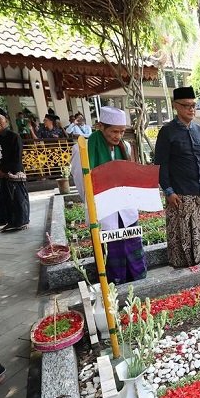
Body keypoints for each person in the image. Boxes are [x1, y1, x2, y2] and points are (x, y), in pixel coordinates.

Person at [71, 106, 147, 283]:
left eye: (122, 131)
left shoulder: (125, 146)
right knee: (111, 253)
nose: (118, 136)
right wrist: (100, 202)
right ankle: (115, 287)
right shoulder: (83, 148)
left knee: (132, 248)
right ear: (100, 126)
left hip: (126, 212)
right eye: (114, 131)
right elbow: (81, 182)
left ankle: (138, 282)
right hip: (103, 213)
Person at [153, 86, 200, 268]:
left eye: (194, 105)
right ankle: (185, 265)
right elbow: (160, 165)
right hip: (180, 193)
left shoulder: (198, 130)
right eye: (186, 105)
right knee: (183, 232)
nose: (191, 109)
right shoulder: (167, 132)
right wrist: (168, 190)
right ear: (176, 106)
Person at [0, 106, 30, 232]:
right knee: (3, 198)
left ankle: (21, 222)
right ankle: (9, 222)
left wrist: (4, 170)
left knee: (17, 198)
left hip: (13, 172)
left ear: (6, 121)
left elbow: (17, 156)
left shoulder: (14, 137)